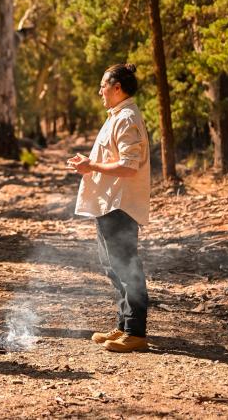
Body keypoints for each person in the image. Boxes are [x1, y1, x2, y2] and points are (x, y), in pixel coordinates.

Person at [67, 63, 151, 353]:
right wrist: (88, 164)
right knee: (113, 267)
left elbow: (129, 166)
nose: (99, 90)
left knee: (127, 267)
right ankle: (123, 326)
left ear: (117, 88)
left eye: (103, 85)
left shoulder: (127, 117)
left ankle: (136, 332)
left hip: (120, 205)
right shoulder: (116, 117)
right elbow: (113, 158)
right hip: (108, 204)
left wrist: (91, 166)